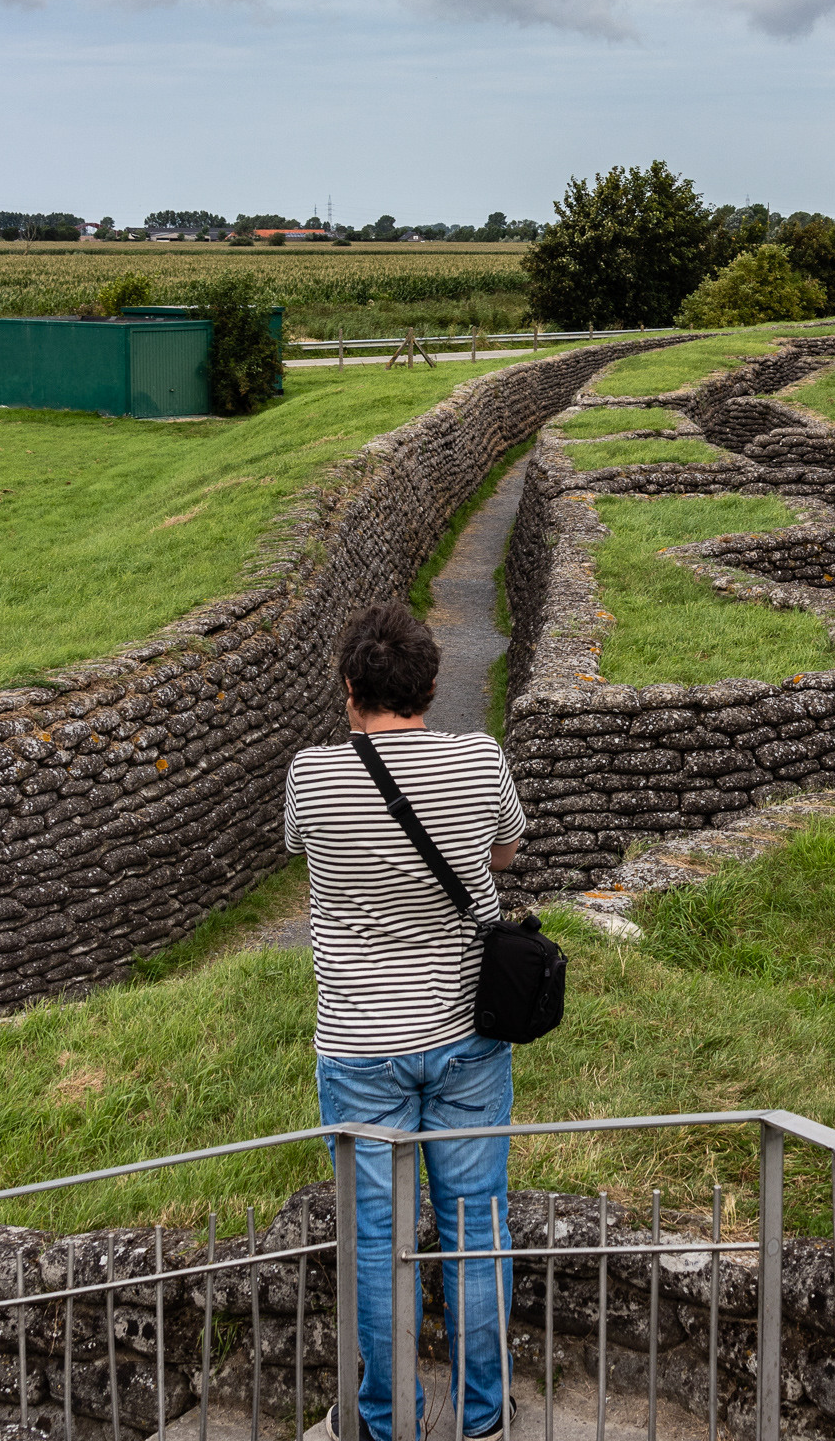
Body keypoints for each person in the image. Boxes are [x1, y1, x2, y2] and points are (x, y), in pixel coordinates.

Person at [285, 601, 526, 1441]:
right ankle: (484, 1418)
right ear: (431, 685)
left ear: (351, 690)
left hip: (358, 1047)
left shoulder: (311, 774)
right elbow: (502, 854)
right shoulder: (477, 758)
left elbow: (303, 848)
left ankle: (388, 1422)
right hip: (466, 1033)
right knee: (474, 1226)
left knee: (376, 1244)